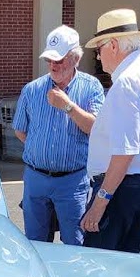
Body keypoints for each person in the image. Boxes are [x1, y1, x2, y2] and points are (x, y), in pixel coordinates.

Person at [78, 8, 140, 253]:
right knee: (129, 260)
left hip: (122, 188)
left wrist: (100, 202)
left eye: (99, 48)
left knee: (100, 262)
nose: (98, 56)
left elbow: (125, 152)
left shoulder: (127, 82)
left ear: (113, 45)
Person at [12, 25, 104, 246]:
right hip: (36, 178)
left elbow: (95, 129)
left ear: (76, 59)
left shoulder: (91, 87)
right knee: (35, 243)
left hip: (72, 181)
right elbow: (20, 129)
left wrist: (68, 106)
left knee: (75, 243)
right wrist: (40, 149)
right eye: (49, 60)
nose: (53, 65)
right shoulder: (32, 90)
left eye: (59, 60)